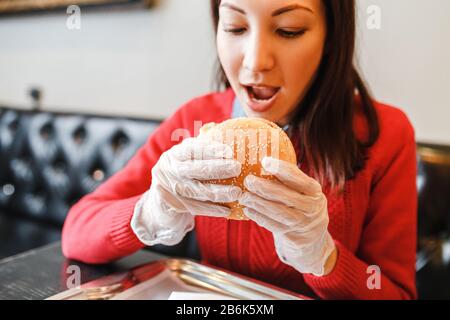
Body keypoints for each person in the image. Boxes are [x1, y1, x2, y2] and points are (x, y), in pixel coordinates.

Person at [62, 0, 417, 299]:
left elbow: (396, 292)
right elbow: (76, 234)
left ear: (331, 38)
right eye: (234, 27)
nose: (255, 62)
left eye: (289, 29)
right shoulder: (195, 120)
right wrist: (150, 211)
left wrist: (324, 257)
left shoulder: (384, 133)